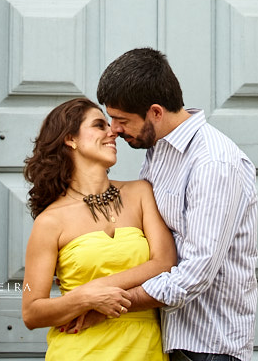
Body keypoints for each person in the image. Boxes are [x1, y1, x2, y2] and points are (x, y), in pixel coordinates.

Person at [95, 48, 258, 361]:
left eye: (122, 120)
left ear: (156, 112)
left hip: (209, 347)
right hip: (168, 339)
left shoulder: (214, 162)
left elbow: (196, 273)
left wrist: (107, 305)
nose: (114, 129)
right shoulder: (158, 149)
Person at [21, 96, 177, 360]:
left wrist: (99, 290)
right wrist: (84, 300)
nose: (112, 132)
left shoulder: (140, 192)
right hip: (79, 351)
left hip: (144, 348)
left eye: (110, 125)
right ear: (70, 139)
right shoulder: (50, 221)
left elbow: (164, 262)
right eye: (99, 125)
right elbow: (31, 312)